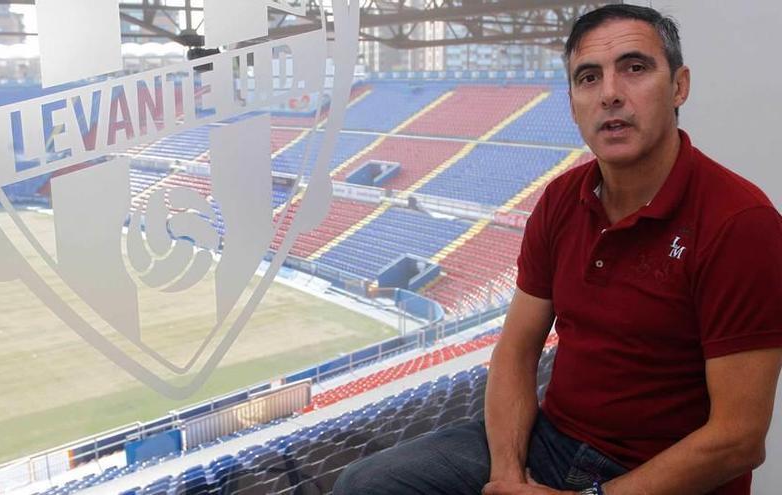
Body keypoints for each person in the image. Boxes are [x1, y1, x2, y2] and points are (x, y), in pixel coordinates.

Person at [334, 4, 782, 495]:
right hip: (553, 442)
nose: (610, 93)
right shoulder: (561, 199)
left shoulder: (740, 223)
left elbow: (738, 439)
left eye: (635, 68)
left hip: (660, 472)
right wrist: (507, 476)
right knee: (366, 483)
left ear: (679, 86)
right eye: (588, 78)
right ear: (572, 103)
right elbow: (516, 350)